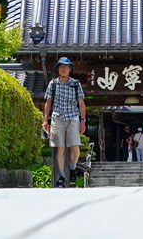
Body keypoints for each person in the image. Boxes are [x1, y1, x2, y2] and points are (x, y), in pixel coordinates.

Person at [42, 57, 87, 188]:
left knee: (75, 146)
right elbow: (48, 102)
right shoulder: (53, 84)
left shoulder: (75, 83)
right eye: (61, 66)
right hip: (57, 117)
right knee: (59, 147)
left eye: (66, 66)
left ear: (70, 69)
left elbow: (81, 103)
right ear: (58, 69)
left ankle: (72, 167)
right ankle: (61, 176)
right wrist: (46, 120)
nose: (63, 68)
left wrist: (83, 121)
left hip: (73, 117)